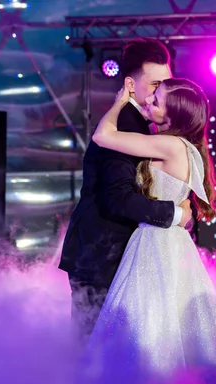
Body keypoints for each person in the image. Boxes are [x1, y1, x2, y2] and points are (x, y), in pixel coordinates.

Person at [76, 78, 216, 384]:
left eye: (156, 100)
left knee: (153, 326)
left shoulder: (170, 146)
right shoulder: (185, 148)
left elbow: (102, 136)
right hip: (166, 243)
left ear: (172, 116)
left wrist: (119, 102)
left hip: (157, 243)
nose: (148, 102)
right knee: (166, 325)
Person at [58, 38, 192, 337]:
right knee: (94, 351)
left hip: (113, 254)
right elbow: (118, 198)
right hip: (101, 256)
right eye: (155, 84)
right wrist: (175, 215)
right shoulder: (124, 125)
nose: (162, 92)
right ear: (131, 85)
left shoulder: (140, 125)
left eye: (166, 84)